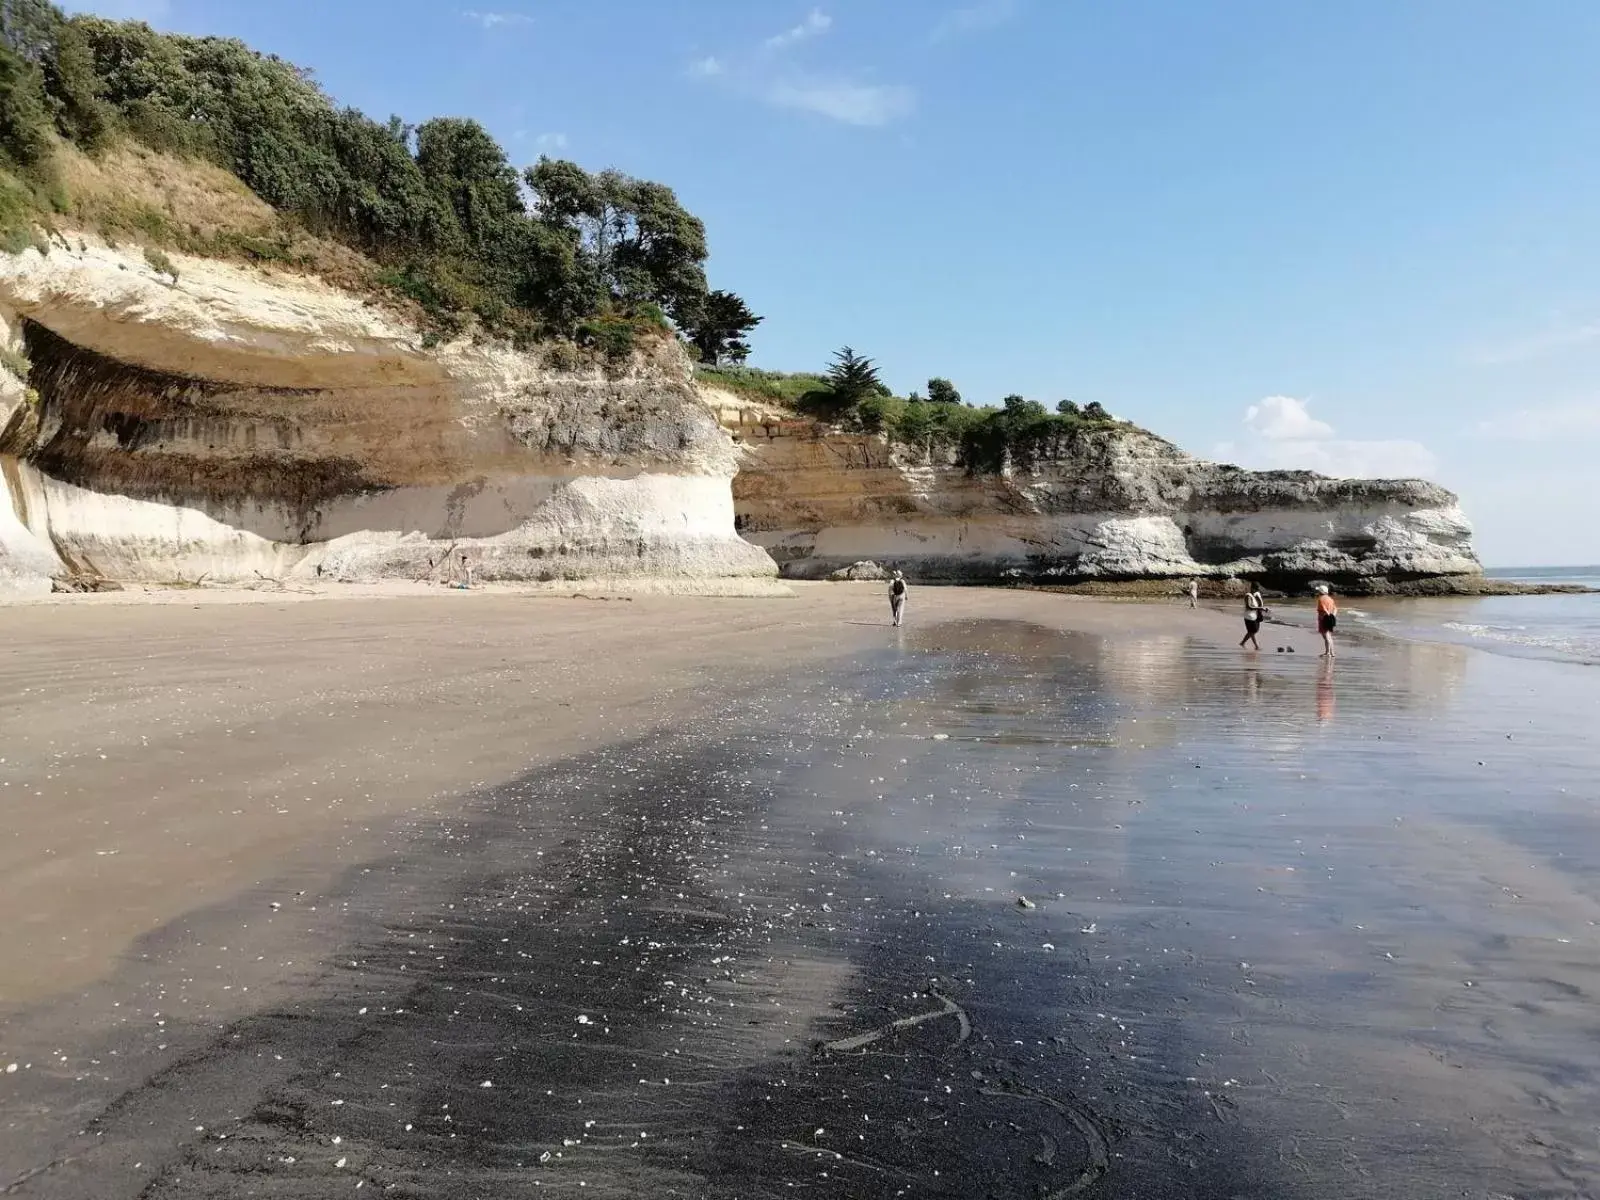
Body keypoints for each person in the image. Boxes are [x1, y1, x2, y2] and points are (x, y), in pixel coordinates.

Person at [1240, 582, 1266, 649]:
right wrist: (1260, 608)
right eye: (1256, 589)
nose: (1257, 591)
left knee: (1252, 631)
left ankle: (1243, 643)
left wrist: (1262, 609)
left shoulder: (1254, 596)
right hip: (1249, 616)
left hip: (1254, 616)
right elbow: (1249, 606)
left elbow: (1258, 605)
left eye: (1257, 589)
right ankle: (1256, 646)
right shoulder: (1248, 596)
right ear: (1252, 588)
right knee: (1253, 631)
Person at [1315, 584, 1338, 657]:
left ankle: (1329, 653)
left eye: (1318, 591)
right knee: (1329, 636)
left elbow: (1323, 608)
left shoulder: (1321, 599)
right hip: (1330, 618)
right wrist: (1332, 616)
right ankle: (1330, 652)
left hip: (1324, 618)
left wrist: (1326, 616)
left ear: (1321, 592)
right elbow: (1335, 609)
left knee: (1326, 636)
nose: (1317, 592)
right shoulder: (1330, 599)